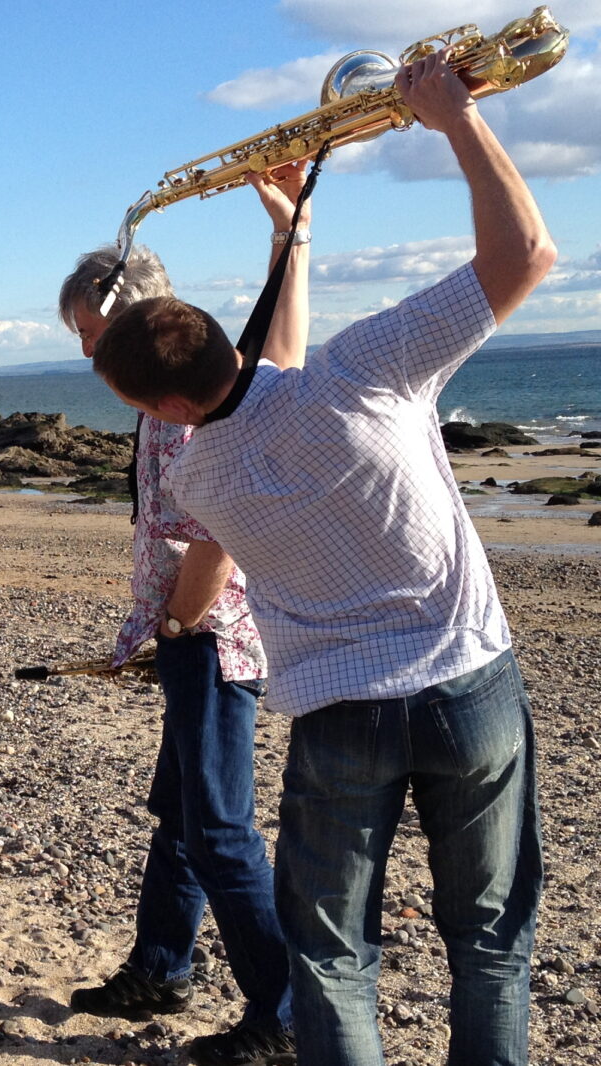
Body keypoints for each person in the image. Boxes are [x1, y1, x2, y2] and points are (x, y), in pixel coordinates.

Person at [91, 52, 550, 1066]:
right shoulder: (362, 370)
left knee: (335, 956)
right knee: (488, 942)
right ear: (218, 340)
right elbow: (525, 253)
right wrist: (454, 123)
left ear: (162, 413)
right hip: (467, 685)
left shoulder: (198, 479)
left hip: (339, 713)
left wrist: (291, 230)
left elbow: (258, 391)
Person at [56, 162, 311, 1065]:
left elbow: (227, 510)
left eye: (94, 333)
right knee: (179, 813)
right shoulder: (149, 392)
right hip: (179, 632)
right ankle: (161, 970)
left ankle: (285, 1016)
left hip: (208, 633)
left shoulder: (190, 383)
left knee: (220, 828)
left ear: (134, 312)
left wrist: (175, 620)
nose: (89, 355)